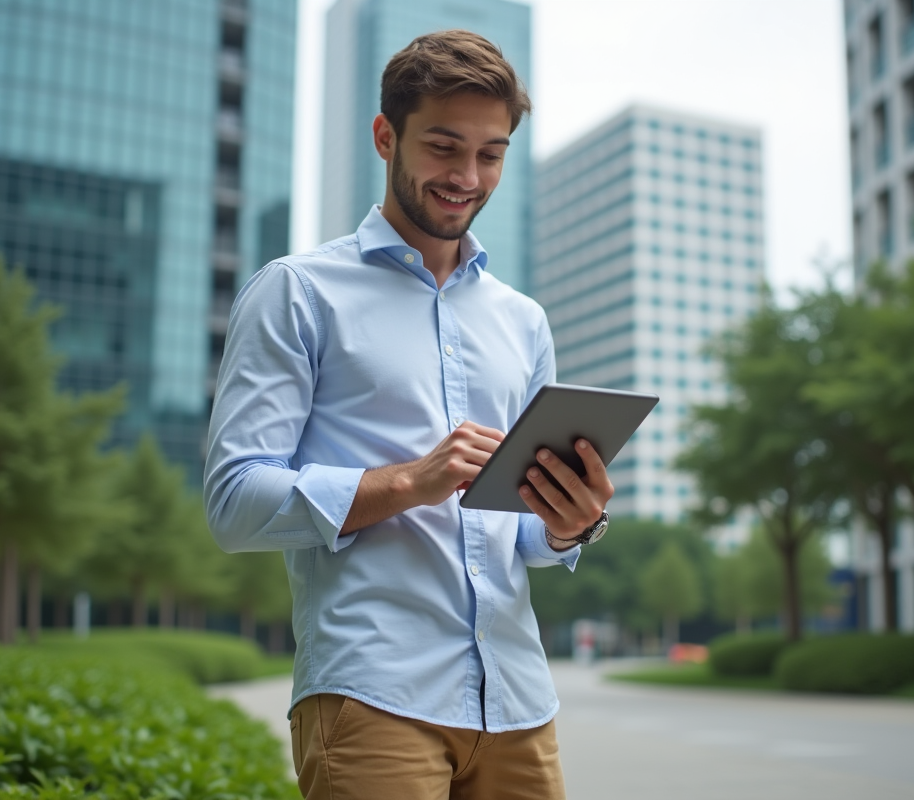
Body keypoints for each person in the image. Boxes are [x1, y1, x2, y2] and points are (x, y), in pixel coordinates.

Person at [203, 29, 612, 800]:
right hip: (373, 695)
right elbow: (233, 503)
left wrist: (569, 523)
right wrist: (408, 483)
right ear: (386, 136)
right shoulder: (297, 292)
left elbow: (524, 535)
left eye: (490, 154)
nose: (467, 176)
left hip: (519, 701)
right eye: (444, 147)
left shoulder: (523, 321)